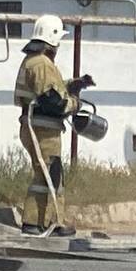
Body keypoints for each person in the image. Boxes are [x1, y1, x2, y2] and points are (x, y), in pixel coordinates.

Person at [14, 15, 93, 236]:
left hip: (37, 127)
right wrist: (75, 104)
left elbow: (48, 90)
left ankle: (45, 221)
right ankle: (40, 222)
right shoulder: (41, 63)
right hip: (42, 129)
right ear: (53, 38)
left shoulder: (36, 61)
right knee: (48, 175)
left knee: (49, 173)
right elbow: (52, 101)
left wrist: (74, 84)